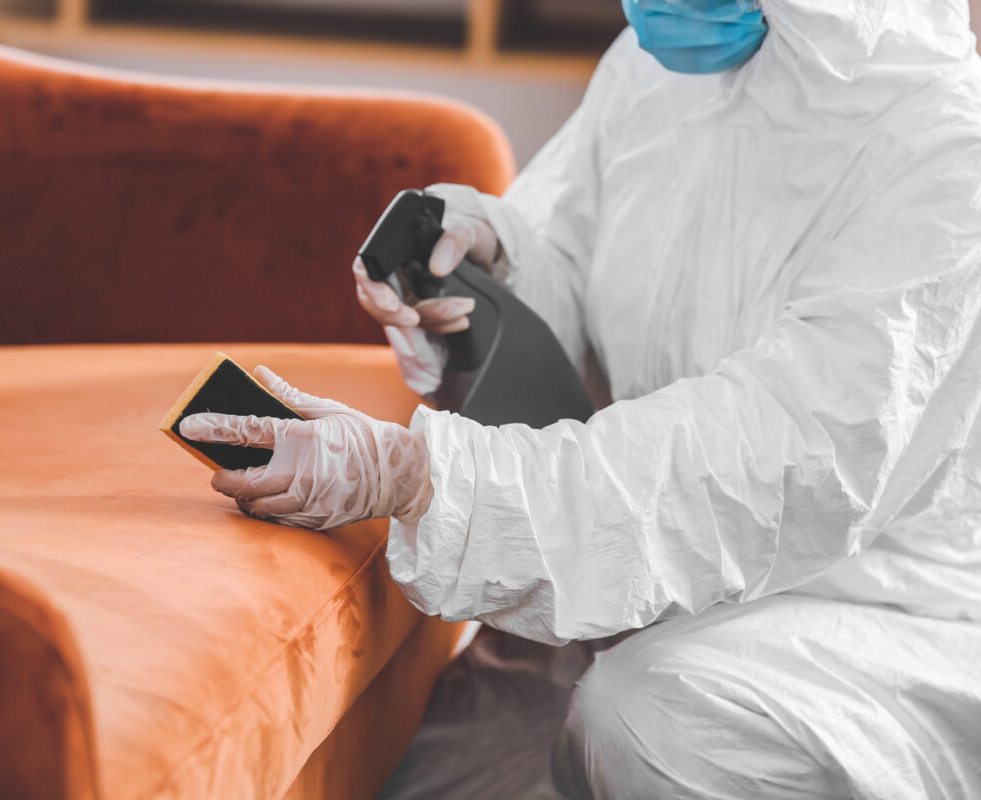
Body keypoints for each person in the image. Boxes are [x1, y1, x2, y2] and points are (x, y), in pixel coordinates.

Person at [179, 0, 981, 796]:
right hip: (641, 572)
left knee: (655, 718)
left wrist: (423, 476)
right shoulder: (649, 70)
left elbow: (767, 467)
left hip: (873, 611)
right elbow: (587, 289)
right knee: (426, 781)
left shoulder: (941, 151)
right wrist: (497, 266)